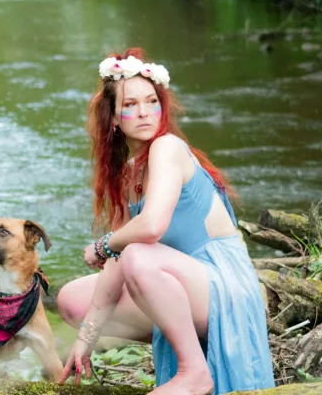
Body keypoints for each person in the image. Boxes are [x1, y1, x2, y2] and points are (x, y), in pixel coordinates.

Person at [56, 48, 275, 395]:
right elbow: (116, 262)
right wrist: (86, 339)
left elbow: (151, 227)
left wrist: (103, 245)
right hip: (179, 284)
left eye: (151, 101)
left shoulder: (167, 148)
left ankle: (194, 372)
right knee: (73, 300)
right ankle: (184, 343)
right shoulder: (128, 174)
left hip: (224, 286)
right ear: (114, 120)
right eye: (130, 105)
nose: (144, 112)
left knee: (137, 255)